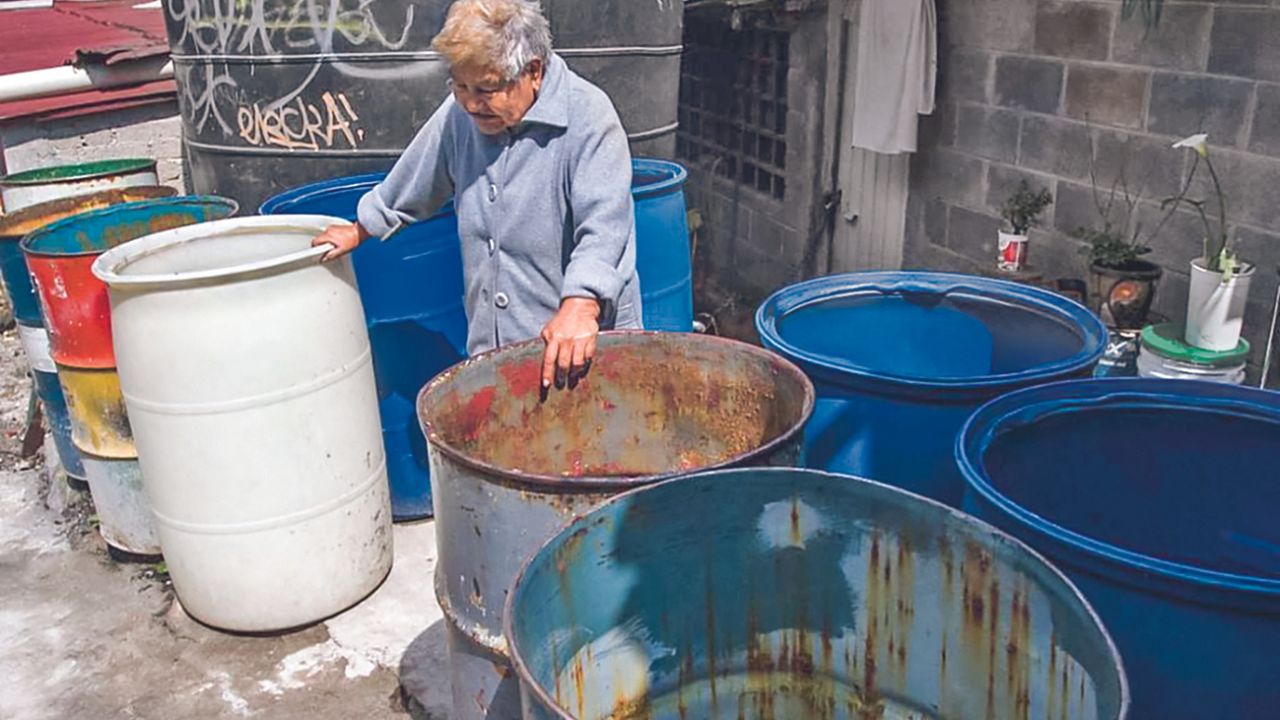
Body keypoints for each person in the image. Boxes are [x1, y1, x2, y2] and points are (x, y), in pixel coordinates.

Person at [312, 0, 642, 389]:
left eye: (486, 89)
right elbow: (418, 175)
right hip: (498, 350)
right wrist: (361, 228)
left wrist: (582, 304)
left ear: (533, 71)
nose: (470, 102)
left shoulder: (588, 118)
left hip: (581, 354)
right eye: (459, 85)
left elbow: (604, 228)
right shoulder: (463, 115)